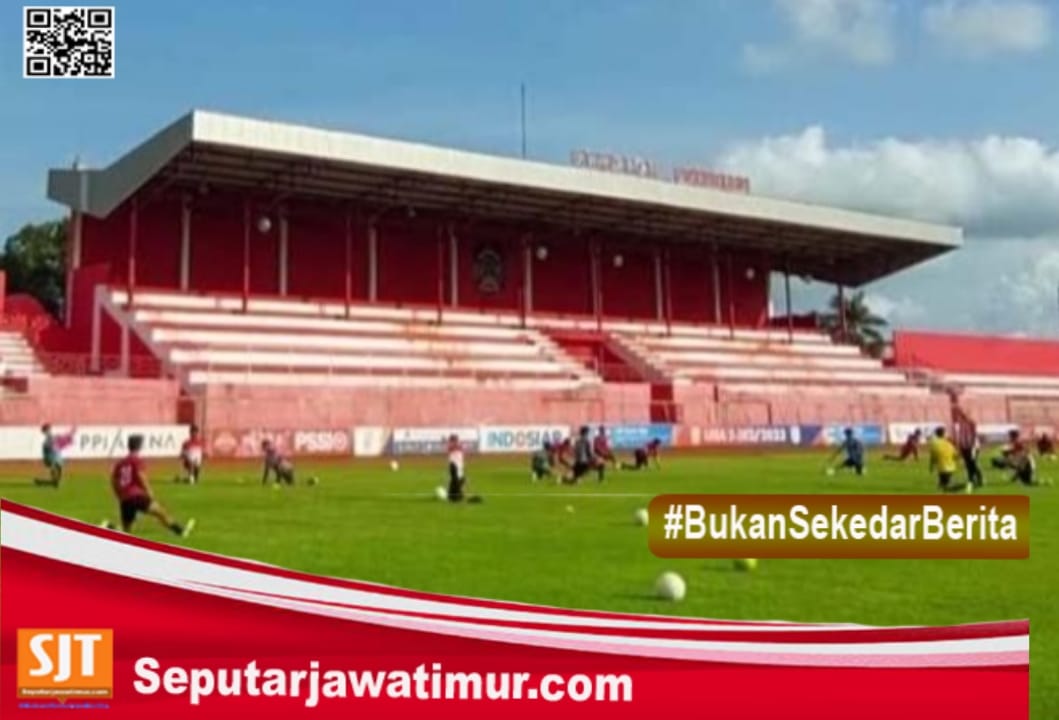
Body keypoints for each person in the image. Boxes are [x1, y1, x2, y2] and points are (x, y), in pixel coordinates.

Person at [102, 434, 195, 536]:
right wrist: (149, 492)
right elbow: (140, 476)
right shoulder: (137, 460)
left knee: (126, 531)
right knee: (160, 512)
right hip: (136, 495)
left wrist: (119, 495)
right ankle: (180, 531)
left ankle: (109, 527)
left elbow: (114, 480)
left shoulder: (121, 463)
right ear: (139, 446)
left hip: (125, 498)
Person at [34, 424, 75, 488]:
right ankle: (55, 481)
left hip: (55, 454)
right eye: (47, 430)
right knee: (53, 466)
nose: (48, 431)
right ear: (44, 431)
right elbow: (48, 447)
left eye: (48, 429)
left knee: (59, 467)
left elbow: (60, 438)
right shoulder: (47, 440)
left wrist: (70, 433)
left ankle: (56, 481)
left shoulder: (52, 437)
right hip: (50, 455)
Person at [445, 433, 482, 503]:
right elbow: (450, 448)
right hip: (454, 466)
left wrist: (453, 443)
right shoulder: (451, 447)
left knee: (461, 481)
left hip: (459, 466)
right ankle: (455, 494)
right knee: (456, 481)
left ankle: (466, 494)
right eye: (453, 440)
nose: (452, 442)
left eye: (453, 440)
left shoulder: (458, 446)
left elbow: (458, 448)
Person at [953, 407, 983, 488]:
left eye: (963, 414)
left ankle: (979, 479)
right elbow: (960, 436)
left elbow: (974, 434)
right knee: (967, 464)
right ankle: (971, 479)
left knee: (973, 463)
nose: (961, 415)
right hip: (964, 447)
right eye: (960, 414)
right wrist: (959, 446)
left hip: (972, 446)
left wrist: (973, 445)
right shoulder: (960, 423)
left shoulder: (971, 422)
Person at [928, 427, 964, 493]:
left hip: (941, 467)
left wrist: (931, 466)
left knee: (943, 482)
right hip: (950, 466)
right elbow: (956, 455)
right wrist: (960, 459)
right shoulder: (949, 443)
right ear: (944, 434)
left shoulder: (934, 444)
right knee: (946, 484)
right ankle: (954, 487)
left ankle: (946, 486)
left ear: (936, 434)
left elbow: (933, 456)